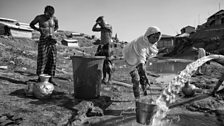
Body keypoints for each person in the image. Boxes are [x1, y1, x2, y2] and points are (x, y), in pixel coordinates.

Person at [122, 26, 161, 99]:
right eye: (154, 37)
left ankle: (144, 91)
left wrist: (145, 76)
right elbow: (141, 64)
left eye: (157, 38)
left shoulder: (150, 43)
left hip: (139, 57)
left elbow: (144, 59)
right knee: (136, 79)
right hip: (130, 57)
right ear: (148, 35)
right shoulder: (141, 43)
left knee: (142, 74)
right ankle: (137, 99)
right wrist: (147, 78)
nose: (156, 40)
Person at [30, 5, 59, 85]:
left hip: (52, 40)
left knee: (52, 59)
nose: (49, 16)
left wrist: (52, 32)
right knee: (42, 58)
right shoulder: (39, 18)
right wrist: (39, 29)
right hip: (43, 40)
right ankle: (40, 78)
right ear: (45, 12)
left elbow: (56, 27)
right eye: (48, 14)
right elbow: (31, 24)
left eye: (51, 15)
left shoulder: (54, 19)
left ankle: (51, 78)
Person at [92, 16, 113, 84]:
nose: (100, 24)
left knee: (108, 62)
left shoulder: (109, 26)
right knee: (103, 62)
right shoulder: (102, 28)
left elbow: (105, 27)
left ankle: (110, 78)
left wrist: (100, 23)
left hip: (108, 45)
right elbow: (93, 29)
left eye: (101, 22)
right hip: (103, 45)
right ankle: (104, 78)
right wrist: (97, 23)